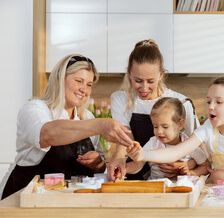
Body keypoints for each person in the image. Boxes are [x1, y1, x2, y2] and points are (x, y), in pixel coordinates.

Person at [0, 54, 133, 200]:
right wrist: (101, 125)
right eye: (78, 81)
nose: (84, 89)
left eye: (89, 84)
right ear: (59, 80)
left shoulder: (87, 117)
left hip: (66, 201)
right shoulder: (35, 109)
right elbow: (47, 134)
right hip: (22, 199)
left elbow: (99, 171)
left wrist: (98, 164)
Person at [127, 77, 224, 184]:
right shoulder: (208, 127)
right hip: (218, 192)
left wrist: (222, 175)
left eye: (218, 102)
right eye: (208, 101)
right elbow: (176, 152)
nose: (211, 106)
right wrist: (143, 154)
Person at [108, 39, 200, 181]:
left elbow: (195, 148)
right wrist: (119, 158)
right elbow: (125, 139)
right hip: (135, 173)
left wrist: (184, 165)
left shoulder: (180, 103)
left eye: (151, 81)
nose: (144, 88)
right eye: (138, 80)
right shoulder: (120, 100)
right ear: (128, 73)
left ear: (161, 74)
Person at [126, 97, 210, 180]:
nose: (159, 131)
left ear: (180, 124)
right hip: (155, 188)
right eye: (155, 126)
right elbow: (137, 165)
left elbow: (206, 166)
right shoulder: (153, 143)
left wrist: (191, 173)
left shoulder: (189, 145)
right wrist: (125, 168)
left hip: (180, 190)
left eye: (165, 127)